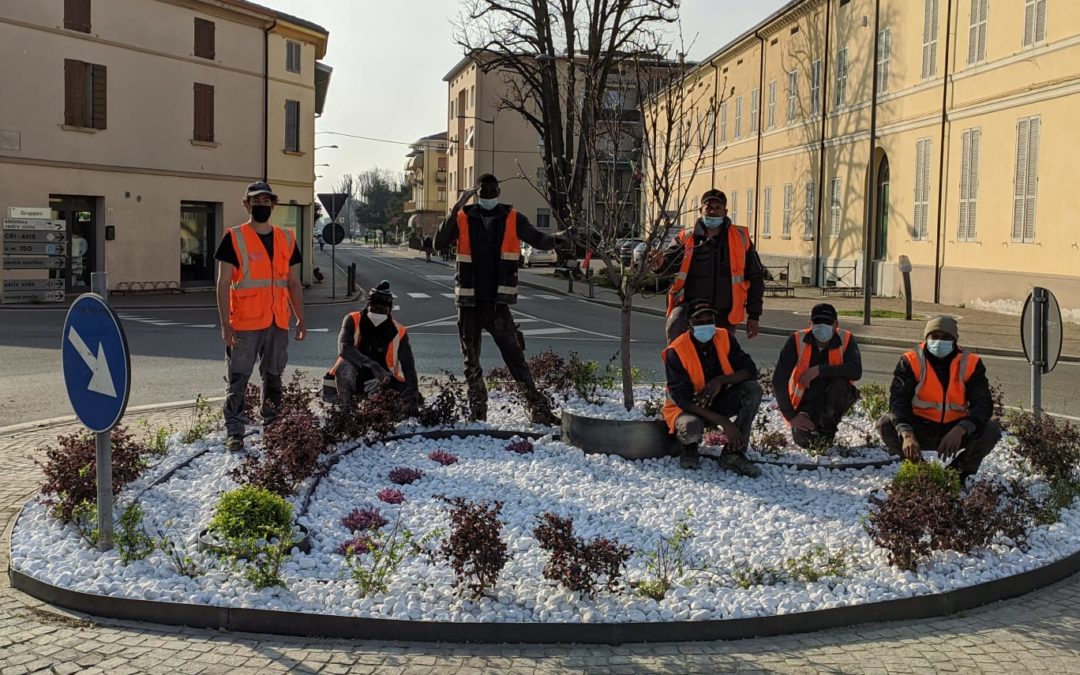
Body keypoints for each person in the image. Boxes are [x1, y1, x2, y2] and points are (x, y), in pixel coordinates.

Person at [434, 173, 561, 425]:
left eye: (492, 191)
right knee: (472, 362)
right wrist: (457, 205)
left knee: (515, 358)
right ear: (476, 193)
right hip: (469, 304)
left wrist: (563, 237)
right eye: (484, 192)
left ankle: (538, 409)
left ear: (498, 192)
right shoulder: (463, 217)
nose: (489, 196)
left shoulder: (513, 218)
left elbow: (539, 239)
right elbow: (439, 242)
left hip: (497, 304)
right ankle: (478, 413)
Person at [214, 181, 306, 452]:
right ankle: (234, 431)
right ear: (247, 204)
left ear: (273, 204)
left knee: (274, 376)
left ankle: (274, 426)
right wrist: (225, 324)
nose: (262, 205)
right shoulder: (234, 236)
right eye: (256, 201)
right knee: (238, 379)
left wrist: (300, 318)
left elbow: (294, 283)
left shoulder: (287, 238)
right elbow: (222, 284)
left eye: (266, 201)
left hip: (278, 321)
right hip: (244, 323)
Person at [876, 315, 1001, 482]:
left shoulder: (970, 363)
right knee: (885, 424)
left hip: (955, 428)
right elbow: (898, 401)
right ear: (926, 338)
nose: (939, 341)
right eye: (934, 336)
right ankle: (920, 471)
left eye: (946, 337)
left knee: (990, 431)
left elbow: (983, 404)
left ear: (955, 340)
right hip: (920, 427)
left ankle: (956, 475)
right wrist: (907, 433)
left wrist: (961, 429)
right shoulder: (911, 360)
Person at [662, 300, 763, 475]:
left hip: (718, 401)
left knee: (752, 390)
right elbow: (683, 400)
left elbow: (750, 370)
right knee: (690, 428)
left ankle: (733, 454)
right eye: (699, 321)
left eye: (709, 320)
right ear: (689, 324)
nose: (705, 325)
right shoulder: (676, 351)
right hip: (689, 408)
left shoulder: (724, 337)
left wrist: (720, 381)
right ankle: (689, 447)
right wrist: (724, 423)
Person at [652, 189, 766, 343]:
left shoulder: (740, 238)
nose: (713, 211)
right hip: (691, 312)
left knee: (722, 357)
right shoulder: (687, 238)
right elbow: (669, 263)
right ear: (701, 210)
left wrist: (754, 316)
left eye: (717, 208)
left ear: (725, 211)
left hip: (726, 315)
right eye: (709, 207)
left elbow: (756, 278)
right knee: (680, 351)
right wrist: (659, 265)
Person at [322, 280, 420, 414]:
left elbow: (408, 365)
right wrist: (372, 365)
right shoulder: (353, 319)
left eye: (382, 309)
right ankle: (347, 409)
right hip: (350, 379)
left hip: (381, 381)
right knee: (345, 366)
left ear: (389, 310)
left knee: (399, 406)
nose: (377, 313)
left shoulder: (398, 331)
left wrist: (413, 395)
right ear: (367, 306)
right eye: (374, 308)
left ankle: (376, 405)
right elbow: (345, 348)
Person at [772, 303, 862, 449]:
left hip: (833, 400)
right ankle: (814, 426)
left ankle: (827, 431)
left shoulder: (846, 339)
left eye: (827, 322)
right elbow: (778, 380)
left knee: (840, 383)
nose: (822, 326)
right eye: (817, 322)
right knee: (804, 441)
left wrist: (820, 370)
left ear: (836, 325)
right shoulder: (796, 340)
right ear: (810, 324)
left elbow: (856, 371)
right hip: (805, 403)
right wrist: (791, 416)